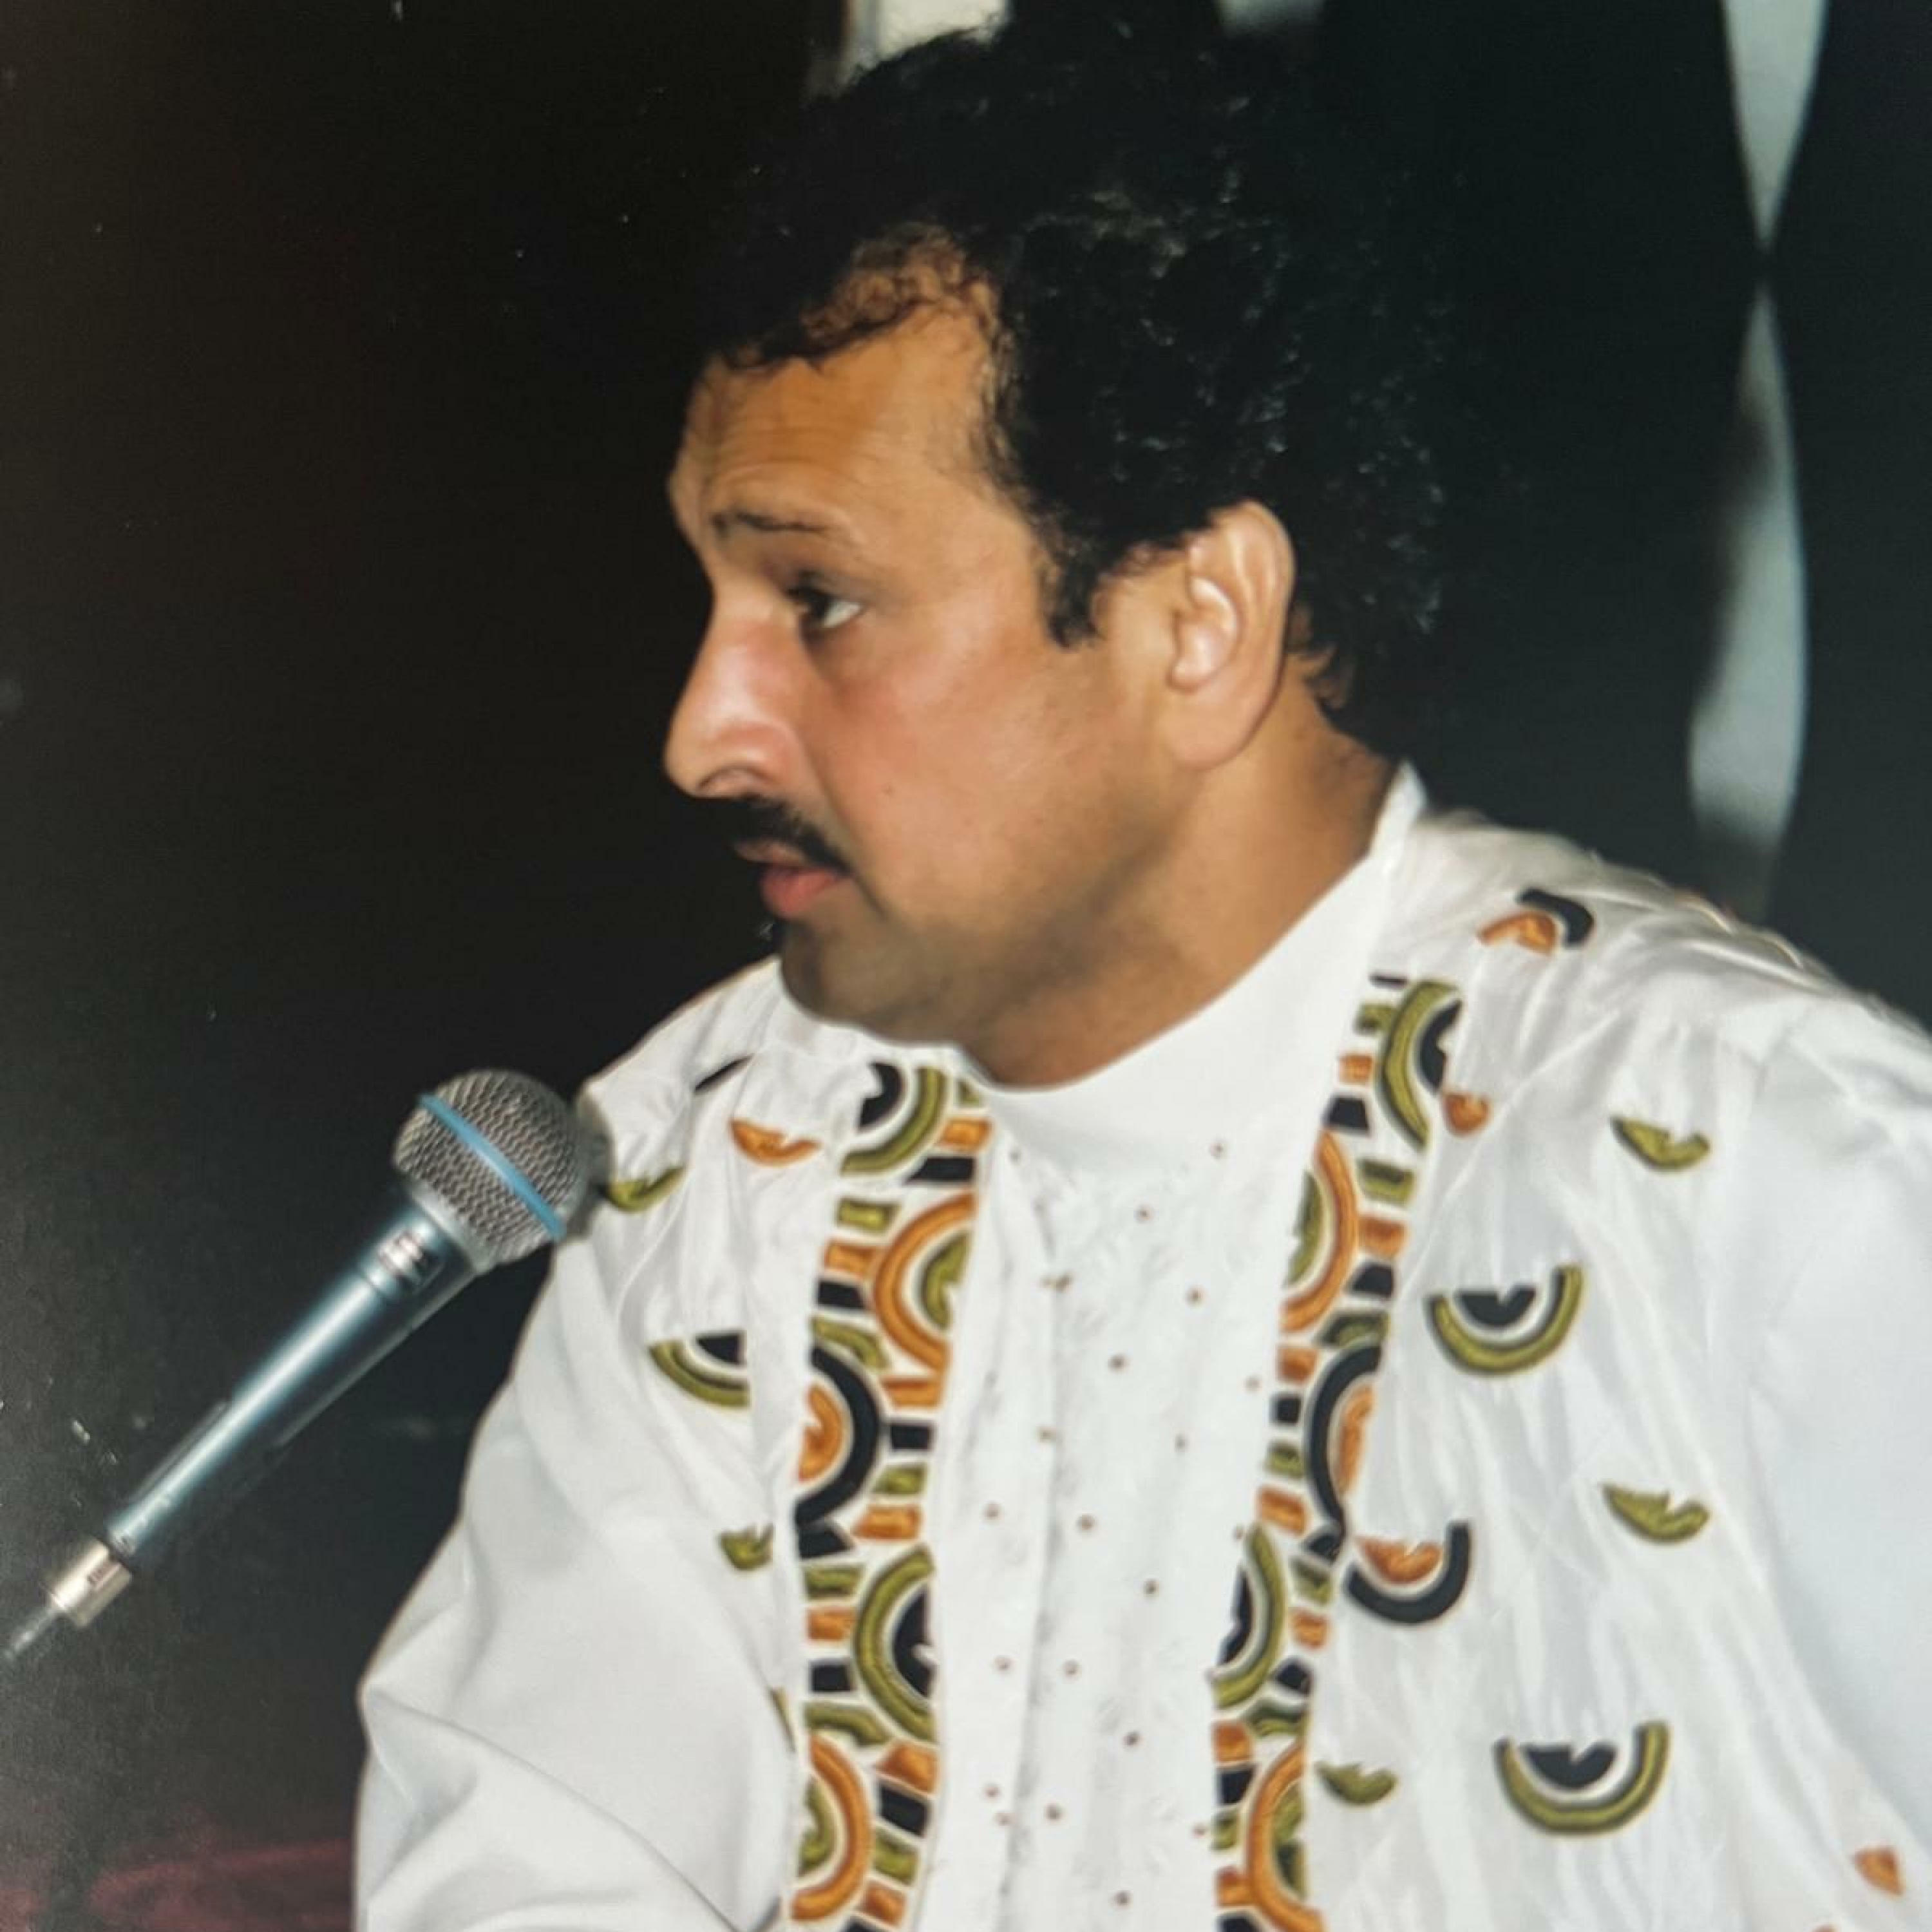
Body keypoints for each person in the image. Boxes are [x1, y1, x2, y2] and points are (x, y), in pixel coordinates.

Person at [355, 26, 1932, 1931]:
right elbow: (526, 1867)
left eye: (818, 603)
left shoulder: (1770, 1180)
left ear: (1199, 625)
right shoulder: (709, 1169)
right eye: (719, 600)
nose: (705, 734)